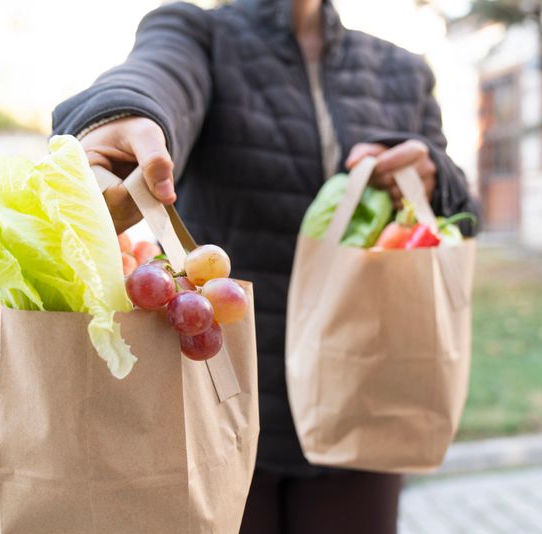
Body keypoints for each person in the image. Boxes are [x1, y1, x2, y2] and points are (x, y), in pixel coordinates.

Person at [53, 0, 480, 532]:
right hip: (223, 398)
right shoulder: (199, 33)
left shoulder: (403, 71)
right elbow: (154, 76)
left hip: (365, 389)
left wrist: (435, 173)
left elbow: (463, 216)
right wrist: (117, 113)